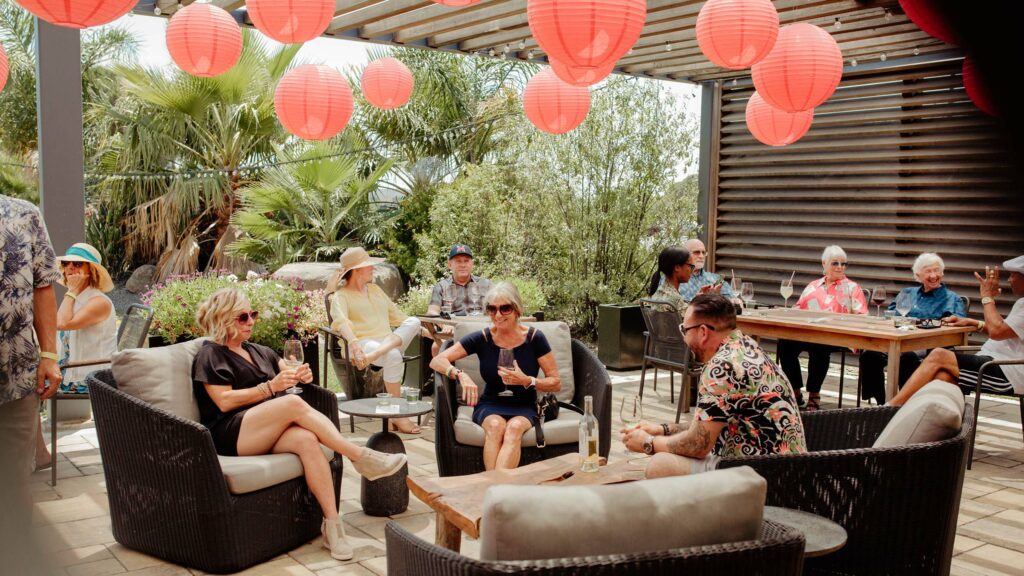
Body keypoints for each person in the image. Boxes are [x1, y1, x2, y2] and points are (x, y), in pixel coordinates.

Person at [191, 287, 406, 561]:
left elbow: (288, 369)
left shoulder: (259, 351)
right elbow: (223, 401)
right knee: (291, 404)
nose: (251, 321)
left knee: (306, 440)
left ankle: (333, 527)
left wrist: (301, 374)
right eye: (242, 317)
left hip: (266, 430)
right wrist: (269, 388)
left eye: (252, 314)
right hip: (232, 433)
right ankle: (359, 456)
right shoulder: (211, 354)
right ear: (223, 318)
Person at [622, 294, 806, 477]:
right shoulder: (745, 345)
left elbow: (698, 445)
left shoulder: (722, 367)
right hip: (786, 470)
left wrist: (648, 442)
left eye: (684, 330)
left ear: (703, 332)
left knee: (660, 465)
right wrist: (664, 430)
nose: (684, 339)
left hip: (763, 476)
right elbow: (709, 425)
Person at [429, 282, 560, 471]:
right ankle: (497, 490)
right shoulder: (483, 337)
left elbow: (555, 382)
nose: (497, 315)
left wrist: (527, 381)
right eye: (492, 309)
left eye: (505, 308)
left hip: (524, 404)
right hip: (490, 403)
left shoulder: (534, 339)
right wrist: (460, 375)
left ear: (517, 310)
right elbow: (437, 361)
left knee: (514, 428)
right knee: (496, 426)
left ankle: (492, 489)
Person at [0, 194, 62, 574]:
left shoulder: (23, 214)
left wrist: (50, 355)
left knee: (15, 481)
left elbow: (43, 286)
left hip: (16, 376)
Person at [889, 257, 1024, 406]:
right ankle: (921, 419)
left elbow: (997, 331)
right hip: (993, 362)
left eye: (1013, 275)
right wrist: (974, 323)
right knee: (942, 376)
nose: (1009, 280)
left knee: (939, 355)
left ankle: (891, 409)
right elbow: (1006, 331)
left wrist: (987, 298)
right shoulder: (1021, 303)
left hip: (1009, 372)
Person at [33, 243, 118, 471]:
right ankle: (37, 451)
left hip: (91, 375)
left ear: (91, 271)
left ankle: (38, 453)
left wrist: (70, 292)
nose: (70, 268)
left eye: (78, 264)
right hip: (75, 367)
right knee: (26, 377)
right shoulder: (79, 298)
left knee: (28, 386)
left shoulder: (98, 301)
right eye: (66, 264)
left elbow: (60, 323)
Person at [328, 246, 423, 433]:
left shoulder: (375, 290)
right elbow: (341, 323)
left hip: (380, 347)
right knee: (394, 355)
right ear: (356, 271)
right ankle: (398, 416)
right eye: (369, 265)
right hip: (365, 344)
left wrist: (427, 332)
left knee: (415, 320)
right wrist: (354, 345)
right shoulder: (341, 296)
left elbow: (399, 317)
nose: (373, 268)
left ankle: (377, 355)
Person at [860, 253, 967, 404]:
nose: (933, 275)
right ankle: (881, 403)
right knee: (869, 354)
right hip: (898, 339)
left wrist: (943, 322)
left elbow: (959, 324)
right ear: (918, 275)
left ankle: (904, 403)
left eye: (937, 271)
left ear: (942, 273)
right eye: (928, 271)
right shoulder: (907, 293)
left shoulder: (952, 298)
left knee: (907, 357)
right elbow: (891, 315)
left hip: (926, 345)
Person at [777, 245, 869, 410]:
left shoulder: (852, 288)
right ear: (824, 264)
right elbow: (797, 309)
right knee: (785, 343)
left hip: (837, 335)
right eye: (835, 263)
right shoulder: (813, 285)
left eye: (843, 263)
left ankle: (814, 394)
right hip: (809, 332)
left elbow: (863, 316)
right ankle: (796, 393)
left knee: (819, 345)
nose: (840, 267)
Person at [425, 243, 493, 355]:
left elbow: (500, 304)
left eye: (466, 261)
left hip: (481, 329)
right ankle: (443, 372)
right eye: (458, 261)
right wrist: (444, 323)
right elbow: (432, 311)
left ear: (472, 264)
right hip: (453, 331)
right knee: (436, 347)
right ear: (449, 264)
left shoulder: (486, 284)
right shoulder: (441, 286)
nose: (463, 265)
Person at [647, 245, 695, 321]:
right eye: (690, 266)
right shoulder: (675, 300)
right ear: (677, 268)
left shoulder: (659, 292)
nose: (692, 270)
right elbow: (696, 320)